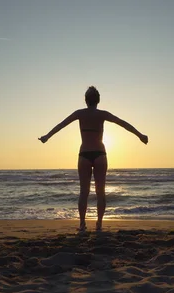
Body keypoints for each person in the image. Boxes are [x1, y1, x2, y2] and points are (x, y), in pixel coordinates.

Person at [38, 86, 148, 232]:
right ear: (98, 100)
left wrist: (47, 136)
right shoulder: (102, 114)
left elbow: (61, 125)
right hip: (100, 155)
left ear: (85, 100)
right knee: (100, 192)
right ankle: (99, 224)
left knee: (84, 192)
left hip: (84, 154)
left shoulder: (80, 113)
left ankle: (82, 224)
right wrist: (140, 135)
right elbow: (122, 123)